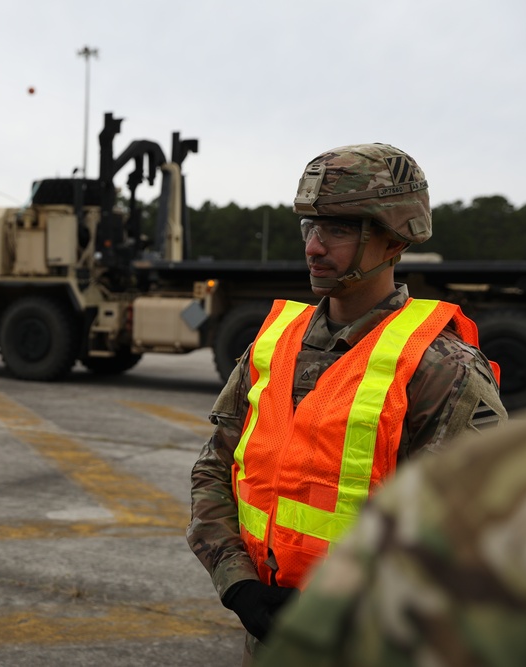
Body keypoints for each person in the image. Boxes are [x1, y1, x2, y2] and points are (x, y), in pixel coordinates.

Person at [186, 143, 507, 664]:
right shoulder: (273, 344)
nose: (313, 247)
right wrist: (238, 583)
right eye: (309, 227)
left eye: (337, 229)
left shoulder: (439, 366)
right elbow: (214, 469)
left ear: (392, 238)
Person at [257, 399, 526, 667]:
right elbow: (223, 463)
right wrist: (235, 580)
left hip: (340, 607)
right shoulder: (282, 336)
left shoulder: (447, 370)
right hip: (276, 597)